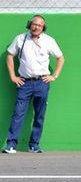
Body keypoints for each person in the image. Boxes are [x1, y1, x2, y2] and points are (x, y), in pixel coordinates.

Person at [3, 15, 64, 154]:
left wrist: (54, 76)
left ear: (43, 27)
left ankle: (34, 145)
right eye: (34, 24)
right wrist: (13, 76)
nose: (36, 27)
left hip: (42, 82)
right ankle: (11, 145)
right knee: (18, 113)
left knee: (40, 114)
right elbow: (10, 55)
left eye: (40, 25)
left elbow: (61, 57)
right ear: (30, 25)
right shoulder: (20, 39)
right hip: (24, 83)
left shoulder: (49, 41)